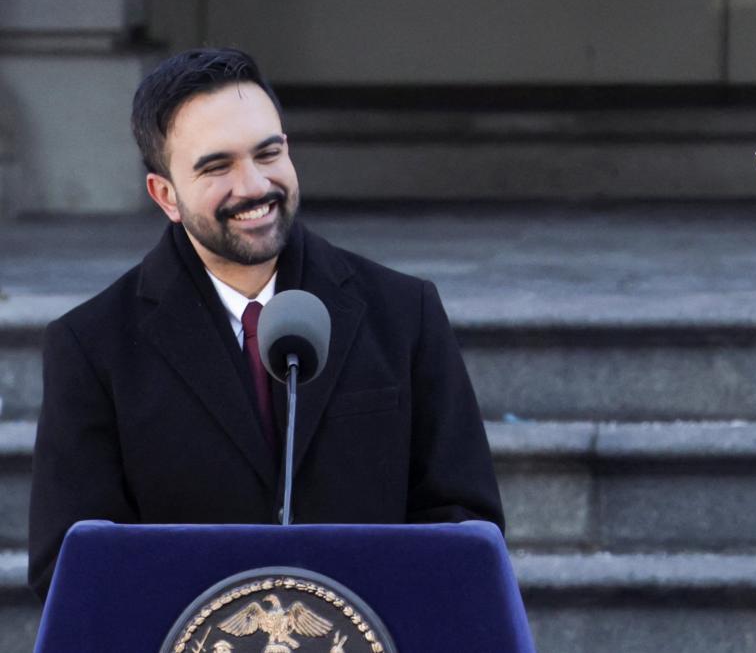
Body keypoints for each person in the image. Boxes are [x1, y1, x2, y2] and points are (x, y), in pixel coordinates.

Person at [27, 48, 504, 601]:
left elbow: (465, 527)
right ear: (165, 195)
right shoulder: (92, 346)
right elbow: (70, 567)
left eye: (267, 153)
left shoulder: (404, 312)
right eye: (216, 166)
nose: (254, 186)